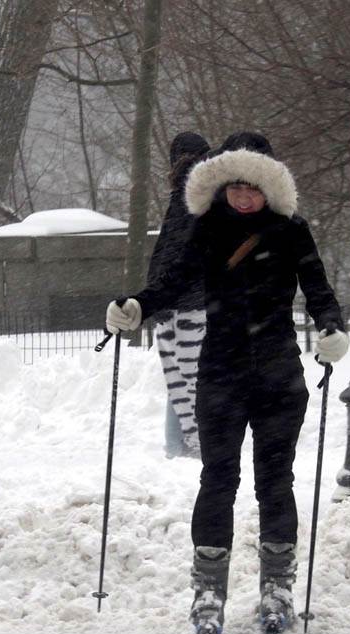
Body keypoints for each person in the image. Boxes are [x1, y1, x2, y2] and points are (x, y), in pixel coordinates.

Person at [105, 131, 349, 634]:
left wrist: (331, 329)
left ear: (268, 186)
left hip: (279, 375)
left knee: (274, 482)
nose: (243, 197)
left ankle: (277, 592)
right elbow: (172, 282)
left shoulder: (291, 232)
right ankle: (207, 595)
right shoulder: (208, 230)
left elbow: (320, 291)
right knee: (217, 479)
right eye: (234, 186)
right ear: (223, 186)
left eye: (252, 187)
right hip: (220, 374)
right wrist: (137, 306)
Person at [146, 131, 210, 458]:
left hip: (168, 304)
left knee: (177, 379)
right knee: (195, 377)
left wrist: (154, 295)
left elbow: (166, 253)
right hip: (194, 302)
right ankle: (186, 444)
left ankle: (176, 445)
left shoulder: (178, 198)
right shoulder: (204, 196)